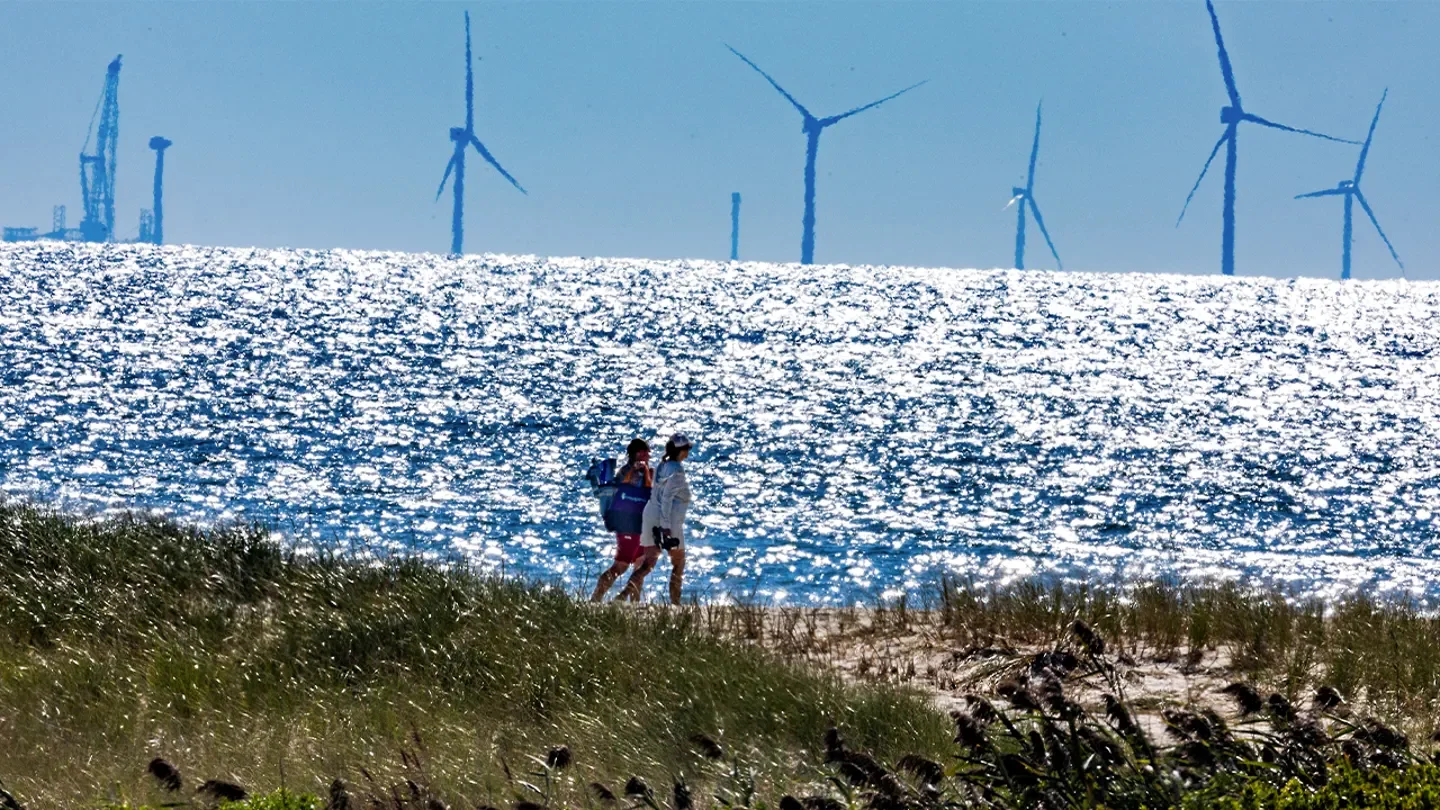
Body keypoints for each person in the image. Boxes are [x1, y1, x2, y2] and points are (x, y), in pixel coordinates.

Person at [619, 433, 693, 605]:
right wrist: (666, 527)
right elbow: (666, 498)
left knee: (647, 564)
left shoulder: (662, 465)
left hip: (650, 514)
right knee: (679, 563)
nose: (689, 452)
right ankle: (675, 605)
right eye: (687, 448)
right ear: (681, 451)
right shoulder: (677, 471)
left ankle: (621, 598)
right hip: (669, 520)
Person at [590, 438, 653, 602]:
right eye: (645, 452)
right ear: (637, 453)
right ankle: (596, 599)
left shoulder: (637, 470)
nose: (648, 455)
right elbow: (630, 489)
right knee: (621, 565)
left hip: (636, 525)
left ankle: (634, 602)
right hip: (628, 526)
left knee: (640, 563)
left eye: (648, 452)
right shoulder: (629, 471)